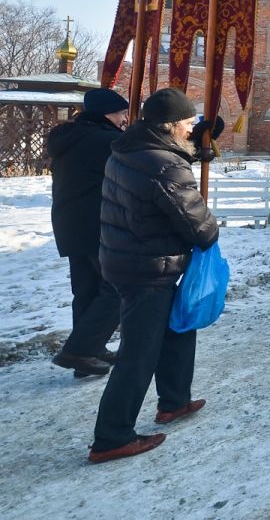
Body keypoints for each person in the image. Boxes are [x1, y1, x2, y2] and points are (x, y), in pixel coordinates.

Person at [88, 88, 220, 464]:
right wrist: (212, 232)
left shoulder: (129, 150)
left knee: (178, 328)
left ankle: (174, 400)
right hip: (147, 267)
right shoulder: (164, 163)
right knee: (139, 352)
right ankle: (111, 437)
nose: (193, 128)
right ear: (171, 125)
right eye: (189, 122)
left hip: (131, 258)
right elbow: (195, 221)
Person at [46, 88, 129, 378]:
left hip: (70, 225)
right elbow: (146, 156)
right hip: (99, 225)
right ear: (107, 113)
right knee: (119, 287)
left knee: (87, 290)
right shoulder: (106, 141)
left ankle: (89, 353)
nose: (125, 118)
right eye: (122, 112)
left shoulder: (71, 137)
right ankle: (80, 350)